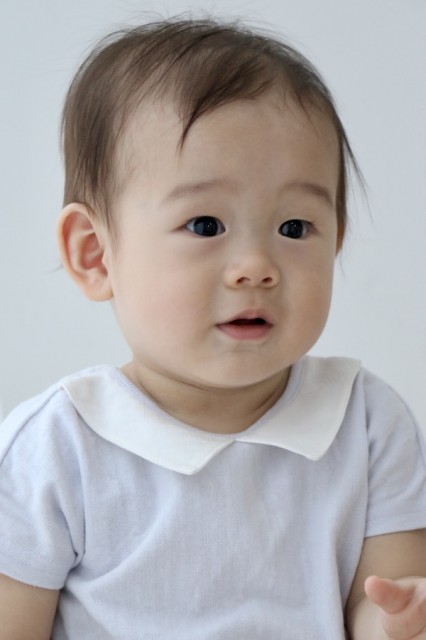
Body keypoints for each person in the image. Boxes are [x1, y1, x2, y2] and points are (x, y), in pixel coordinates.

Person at [0, 16, 425, 640]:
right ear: (95, 253)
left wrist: (398, 621)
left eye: (294, 228)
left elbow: (380, 600)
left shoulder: (365, 423)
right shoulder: (56, 447)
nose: (256, 266)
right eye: (205, 225)